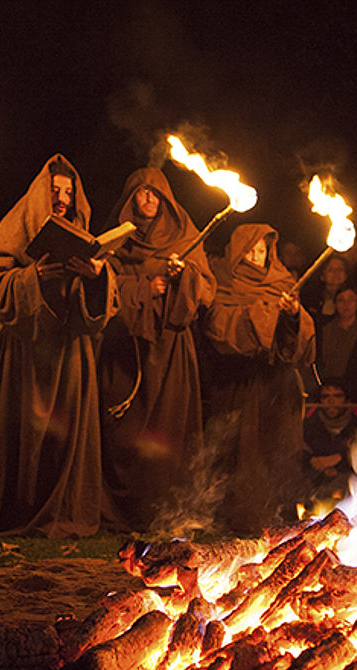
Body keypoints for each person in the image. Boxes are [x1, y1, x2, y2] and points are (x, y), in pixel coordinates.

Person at [0, 155, 118, 538]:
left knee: (65, 433)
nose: (62, 199)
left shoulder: (82, 234)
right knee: (19, 431)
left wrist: (97, 276)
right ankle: (18, 508)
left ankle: (61, 509)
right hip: (23, 354)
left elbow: (105, 306)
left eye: (69, 193)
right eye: (55, 191)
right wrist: (32, 276)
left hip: (69, 352)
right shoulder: (17, 230)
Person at [98, 167, 214, 531]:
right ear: (131, 198)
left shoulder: (184, 235)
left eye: (155, 193)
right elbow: (104, 284)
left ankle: (165, 511)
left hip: (171, 346)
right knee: (123, 429)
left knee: (169, 429)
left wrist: (182, 277)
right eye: (141, 192)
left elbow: (206, 289)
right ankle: (124, 509)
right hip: (128, 346)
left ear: (165, 199)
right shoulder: (119, 238)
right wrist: (145, 289)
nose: (148, 199)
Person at [203, 223, 315, 533]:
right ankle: (237, 517)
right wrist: (262, 313)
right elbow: (218, 325)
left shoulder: (282, 282)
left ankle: (277, 518)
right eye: (250, 250)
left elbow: (300, 335)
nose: (255, 256)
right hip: (238, 382)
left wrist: (292, 314)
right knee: (240, 450)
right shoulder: (223, 279)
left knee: (278, 448)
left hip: (277, 384)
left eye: (261, 250)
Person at [302, 379, 357, 501]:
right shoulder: (310, 422)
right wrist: (318, 464)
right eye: (326, 396)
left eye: (337, 396)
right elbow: (302, 450)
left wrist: (340, 460)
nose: (331, 401)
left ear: (346, 399)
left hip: (352, 487)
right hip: (316, 486)